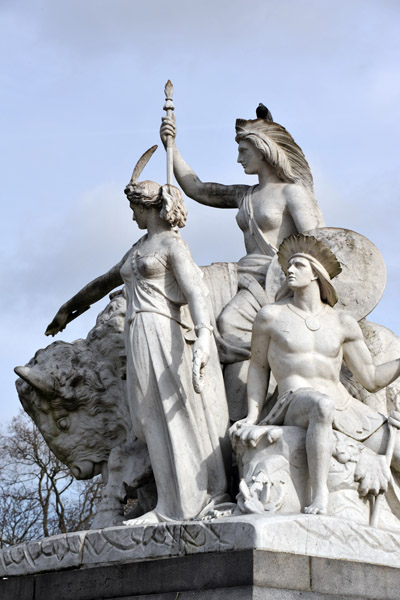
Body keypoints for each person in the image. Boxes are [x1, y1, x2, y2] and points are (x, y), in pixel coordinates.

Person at [46, 176, 231, 524]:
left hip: (165, 331)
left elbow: (196, 291)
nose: (132, 217)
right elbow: (104, 282)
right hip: (138, 334)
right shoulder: (138, 248)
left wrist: (205, 335)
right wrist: (69, 308)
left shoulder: (173, 246)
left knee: (170, 413)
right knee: (146, 418)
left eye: (134, 209)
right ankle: (166, 503)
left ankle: (184, 504)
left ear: (148, 208)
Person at [160, 112, 325, 419]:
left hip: (277, 281)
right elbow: (198, 189)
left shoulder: (293, 193)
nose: (238, 159)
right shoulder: (244, 195)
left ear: (263, 150)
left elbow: (317, 243)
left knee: (227, 325)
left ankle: (263, 386)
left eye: (243, 151)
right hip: (244, 277)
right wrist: (172, 146)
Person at [234, 233, 400, 515]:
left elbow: (371, 379)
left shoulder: (342, 322)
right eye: (288, 265)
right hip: (293, 400)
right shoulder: (270, 316)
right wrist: (253, 415)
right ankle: (319, 495)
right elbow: (259, 367)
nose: (289, 270)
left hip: (345, 407)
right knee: (320, 405)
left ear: (316, 274)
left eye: (298, 265)